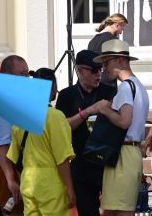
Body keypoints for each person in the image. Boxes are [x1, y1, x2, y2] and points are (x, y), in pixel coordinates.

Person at [55, 50, 115, 216]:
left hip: (106, 163)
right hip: (80, 164)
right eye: (93, 70)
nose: (98, 74)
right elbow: (62, 128)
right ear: (80, 70)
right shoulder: (67, 95)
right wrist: (87, 112)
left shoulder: (109, 91)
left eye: (100, 70)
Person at [93, 39, 149, 216]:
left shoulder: (126, 87)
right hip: (129, 154)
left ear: (119, 60)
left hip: (123, 154)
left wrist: (104, 109)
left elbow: (124, 121)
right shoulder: (138, 85)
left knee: (118, 210)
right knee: (115, 208)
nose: (104, 68)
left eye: (106, 62)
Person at [8, 68, 76, 214]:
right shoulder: (56, 117)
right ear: (52, 89)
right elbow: (62, 158)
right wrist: (70, 188)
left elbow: (14, 157)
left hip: (28, 181)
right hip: (51, 182)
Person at [0, 54, 30, 212]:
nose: (27, 78)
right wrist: (11, 179)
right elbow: (2, 145)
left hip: (16, 164)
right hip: (5, 166)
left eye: (28, 74)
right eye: (22, 74)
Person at [88, 14, 128, 86]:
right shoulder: (113, 40)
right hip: (108, 85)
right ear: (117, 25)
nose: (121, 32)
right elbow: (119, 65)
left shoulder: (92, 41)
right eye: (122, 28)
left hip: (93, 83)